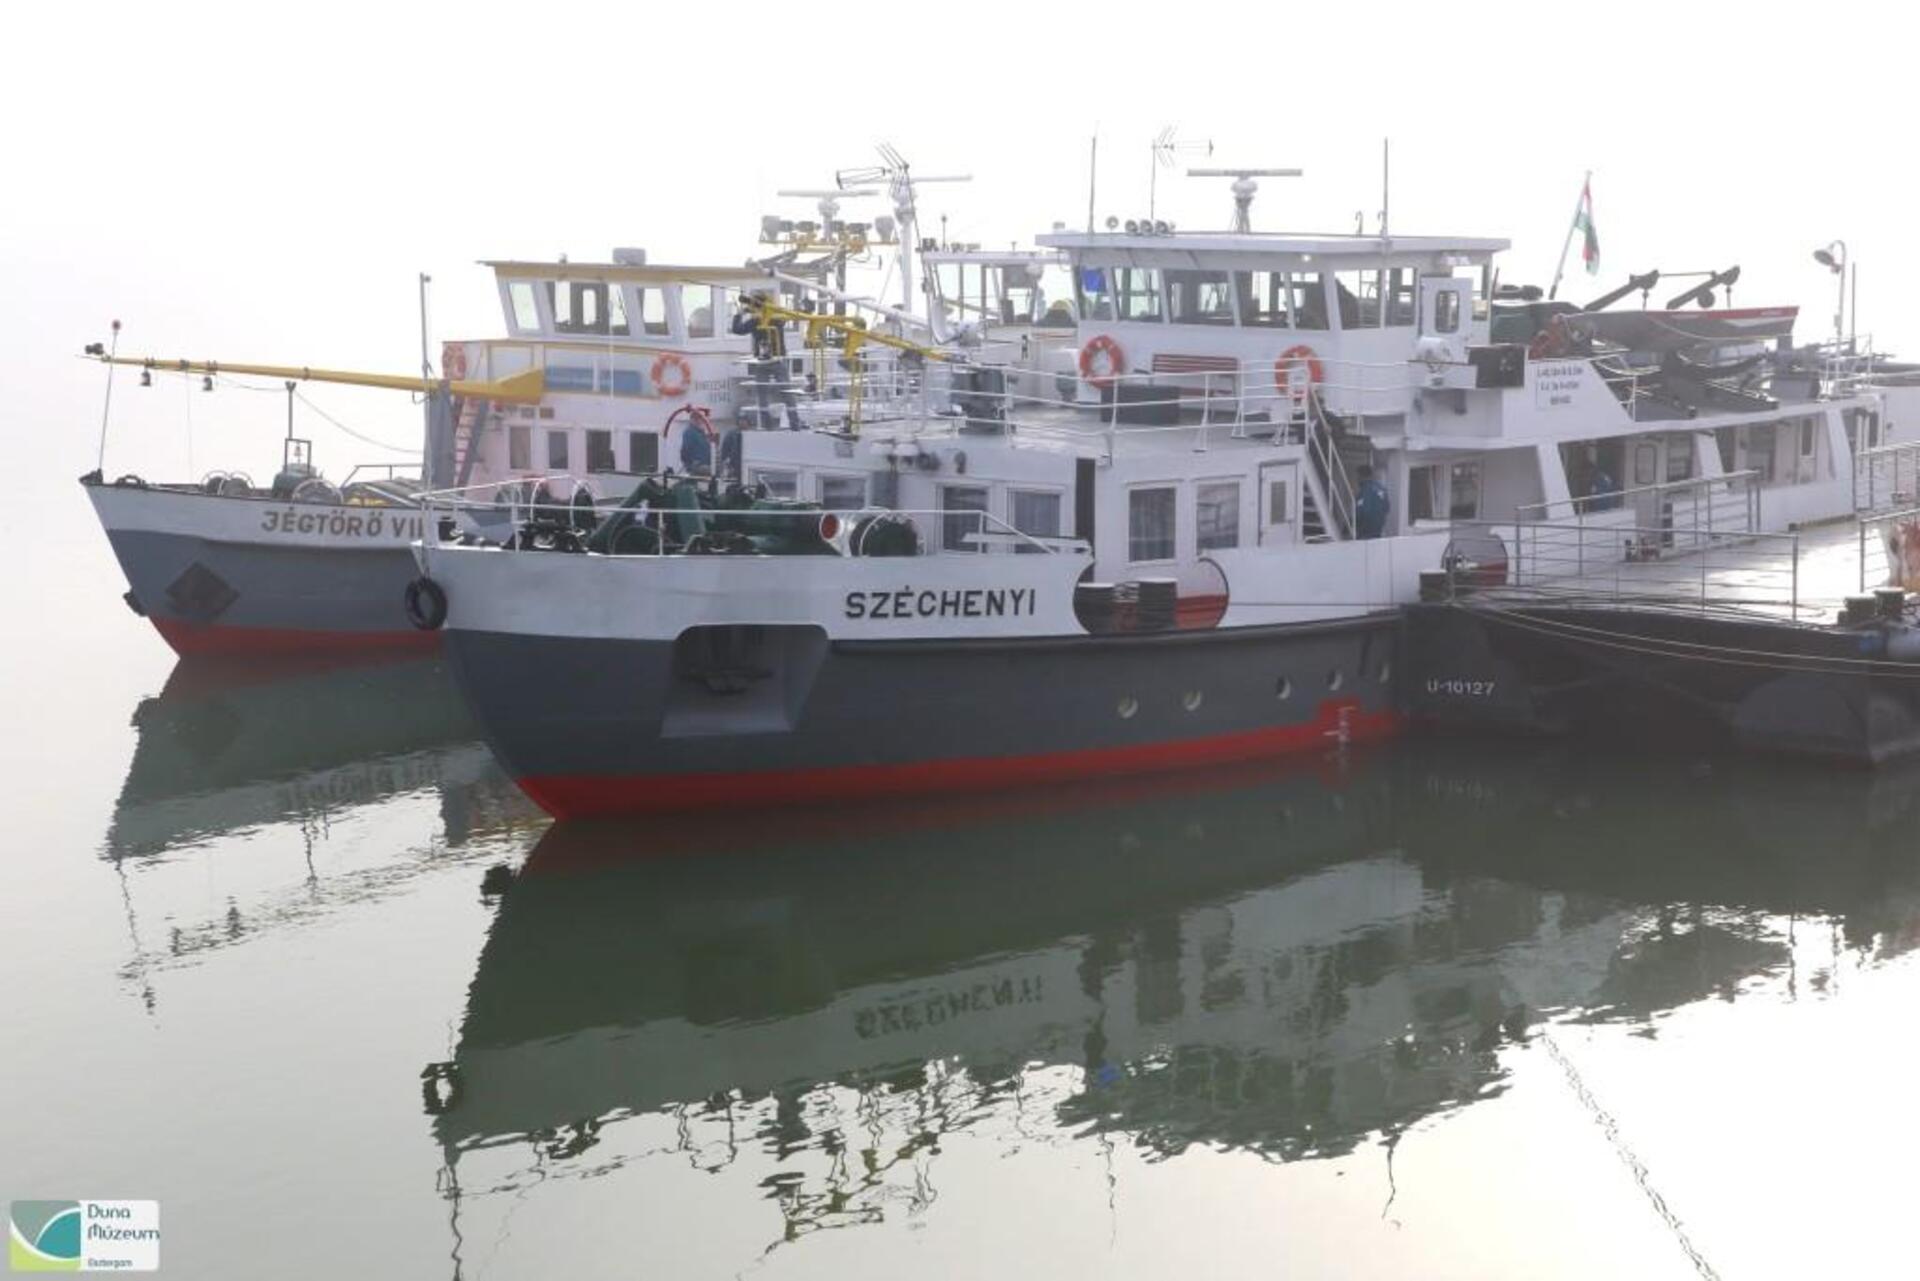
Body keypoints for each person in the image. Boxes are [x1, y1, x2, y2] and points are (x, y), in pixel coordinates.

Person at [1354, 464, 1390, 539]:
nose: (1357, 480)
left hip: (1365, 535)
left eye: (1358, 477)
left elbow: (1362, 512)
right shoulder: (1382, 488)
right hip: (1378, 533)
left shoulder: (1365, 491)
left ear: (1362, 476)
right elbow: (1387, 508)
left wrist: (1351, 524)